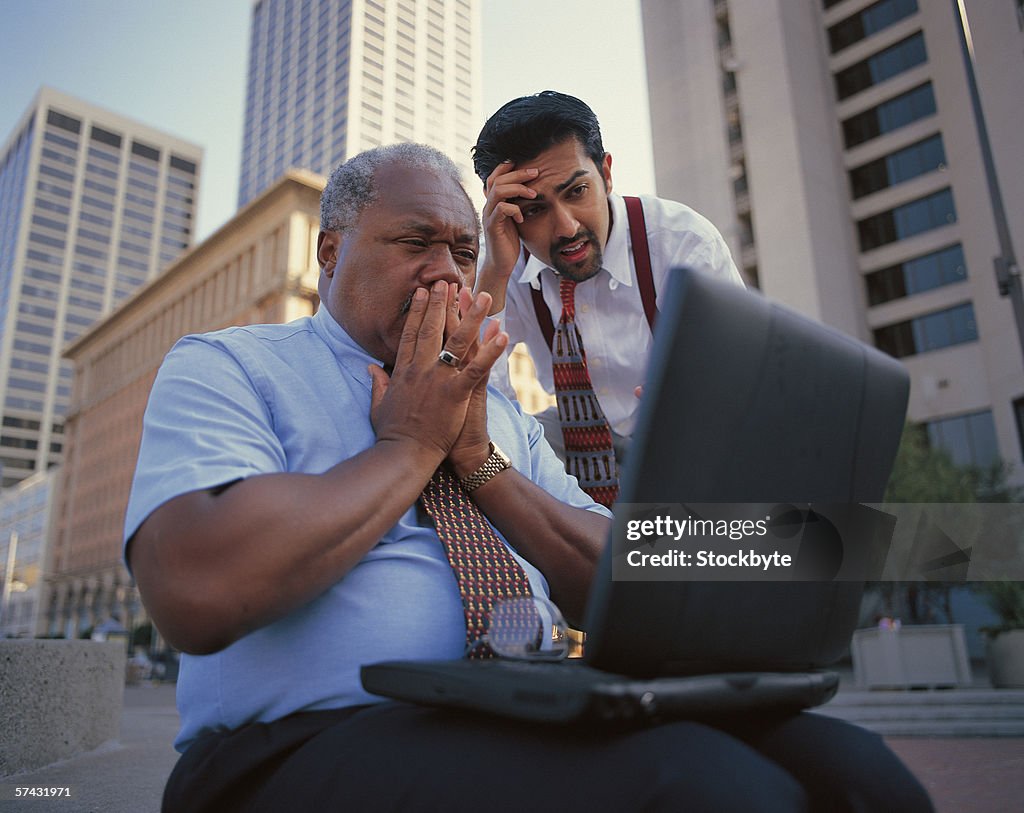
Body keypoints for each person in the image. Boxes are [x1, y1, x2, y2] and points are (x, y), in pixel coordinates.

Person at [124, 144, 931, 812]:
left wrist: (479, 463)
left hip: (519, 710)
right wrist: (410, 444)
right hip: (294, 747)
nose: (446, 272)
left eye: (464, 251)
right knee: (709, 792)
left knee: (857, 775)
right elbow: (197, 585)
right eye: (415, 244)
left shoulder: (499, 413)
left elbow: (621, 577)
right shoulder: (232, 366)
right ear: (330, 251)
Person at [473, 91, 743, 504]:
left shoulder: (680, 242)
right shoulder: (504, 262)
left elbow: (735, 383)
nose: (565, 228)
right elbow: (485, 405)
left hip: (681, 438)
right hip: (573, 440)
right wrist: (494, 272)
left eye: (577, 191)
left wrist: (697, 404)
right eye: (534, 210)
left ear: (606, 173)